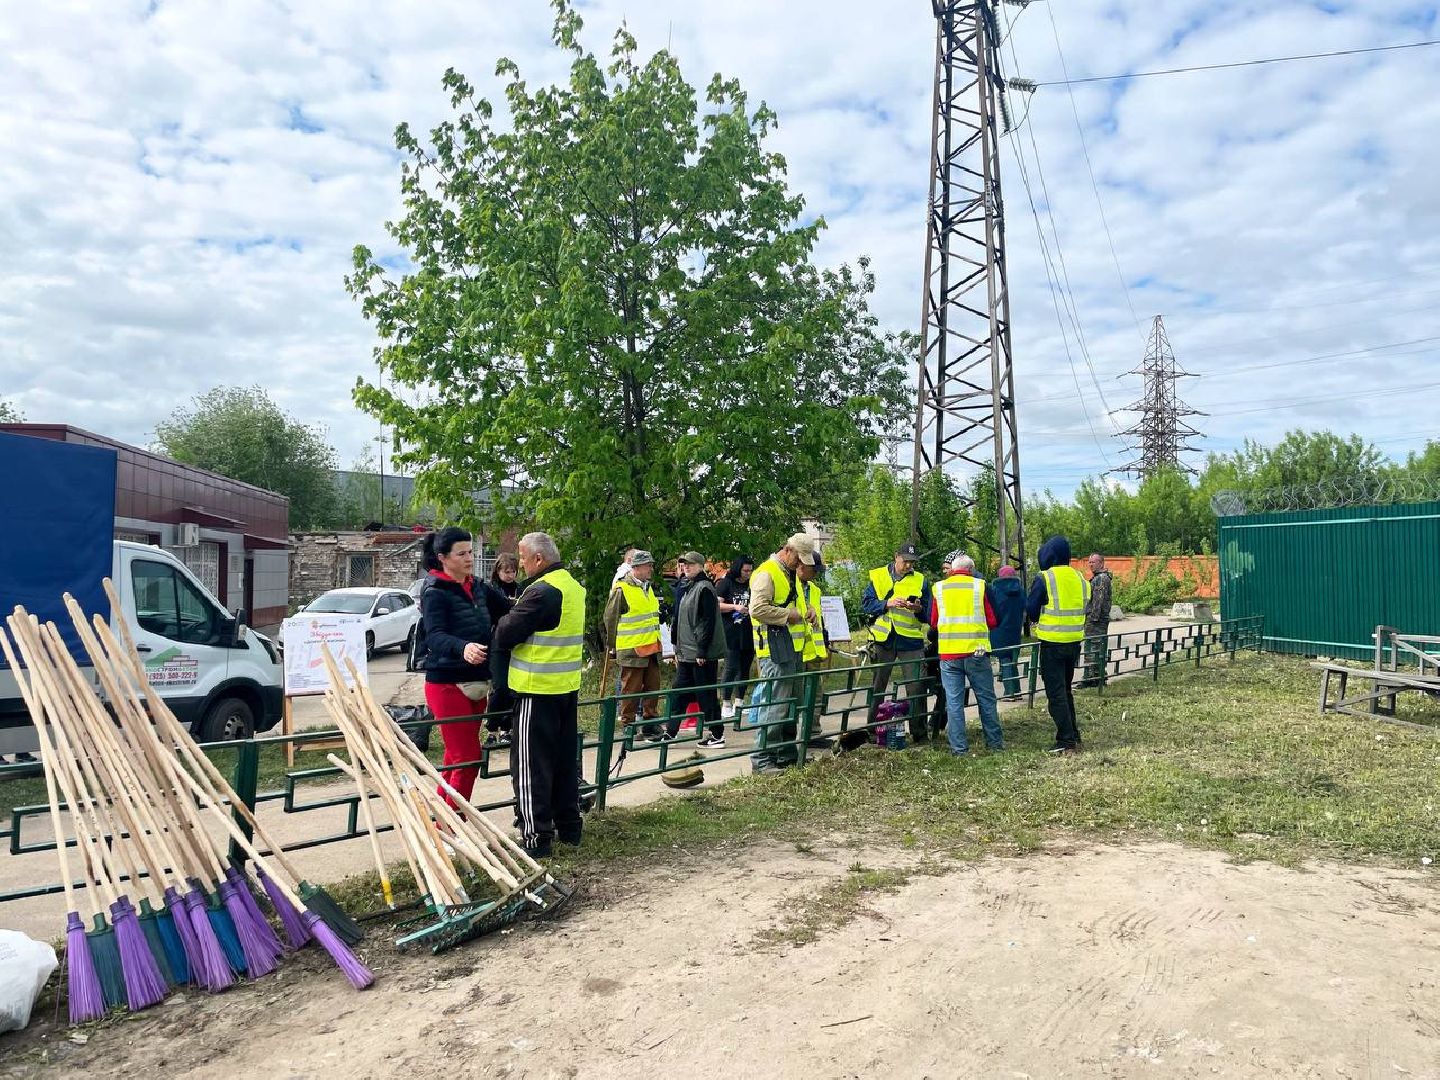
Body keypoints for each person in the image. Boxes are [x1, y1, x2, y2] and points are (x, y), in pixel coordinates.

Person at [489, 532, 586, 858]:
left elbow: (505, 633)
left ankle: (536, 838)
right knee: (563, 764)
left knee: (531, 768)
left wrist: (503, 616)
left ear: (538, 559)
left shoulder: (541, 591)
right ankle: (570, 827)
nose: (519, 563)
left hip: (536, 689)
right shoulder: (572, 586)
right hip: (565, 688)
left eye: (522, 557)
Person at [418, 527, 492, 806]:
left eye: (470, 552)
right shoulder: (435, 592)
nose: (469, 558)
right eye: (461, 554)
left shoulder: (478, 586)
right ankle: (452, 826)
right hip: (446, 682)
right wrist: (463, 647)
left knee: (455, 755)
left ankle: (441, 816)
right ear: (443, 558)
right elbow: (434, 636)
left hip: (478, 680)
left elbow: (510, 610)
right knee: (468, 756)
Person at [747, 534, 814, 774]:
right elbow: (756, 609)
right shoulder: (767, 573)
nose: (801, 564)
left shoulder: (788, 572)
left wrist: (808, 611)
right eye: (799, 558)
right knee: (774, 705)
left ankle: (785, 753)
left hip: (790, 648)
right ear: (787, 550)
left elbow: (793, 604)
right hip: (774, 650)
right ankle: (762, 759)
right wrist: (789, 616)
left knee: (790, 704)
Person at [931, 552, 1002, 756]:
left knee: (954, 703)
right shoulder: (979, 586)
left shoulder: (939, 588)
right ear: (971, 570)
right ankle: (995, 744)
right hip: (977, 652)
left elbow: (934, 622)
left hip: (949, 654)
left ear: (953, 570)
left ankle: (959, 749)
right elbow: (993, 620)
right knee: (986, 699)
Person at [1026, 535, 1091, 754]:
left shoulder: (1045, 577)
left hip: (1052, 643)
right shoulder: (1080, 577)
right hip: (1074, 642)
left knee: (1056, 695)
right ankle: (1074, 736)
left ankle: (1066, 742)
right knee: (1065, 690)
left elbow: (1032, 610)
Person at [861, 541, 932, 742]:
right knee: (878, 686)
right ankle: (872, 731)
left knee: (916, 686)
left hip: (910, 640)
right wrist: (887, 603)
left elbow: (929, 613)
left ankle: (919, 733)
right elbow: (866, 604)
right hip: (883, 639)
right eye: (905, 561)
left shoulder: (921, 581)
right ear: (896, 556)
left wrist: (918, 610)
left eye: (912, 562)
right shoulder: (878, 576)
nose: (909, 565)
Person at [603, 550, 665, 741]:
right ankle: (628, 725)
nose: (651, 569)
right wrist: (612, 646)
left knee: (653, 687)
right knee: (631, 689)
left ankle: (650, 725)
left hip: (651, 647)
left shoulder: (648, 588)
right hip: (631, 649)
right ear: (636, 568)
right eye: (648, 565)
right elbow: (610, 618)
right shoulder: (621, 589)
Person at [671, 552, 727, 747]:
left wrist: (702, 651)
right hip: (687, 652)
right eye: (684, 565)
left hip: (698, 653)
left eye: (690, 565)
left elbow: (707, 622)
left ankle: (717, 733)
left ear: (700, 566)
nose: (686, 567)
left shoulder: (704, 588)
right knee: (678, 692)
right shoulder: (688, 586)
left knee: (706, 694)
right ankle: (670, 731)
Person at [715, 556, 755, 719]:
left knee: (745, 667)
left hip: (748, 631)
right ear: (738, 568)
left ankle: (740, 701)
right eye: (745, 570)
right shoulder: (726, 583)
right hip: (730, 631)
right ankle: (725, 702)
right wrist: (734, 606)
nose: (748, 574)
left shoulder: (751, 585)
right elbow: (717, 605)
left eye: (750, 571)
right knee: (731, 666)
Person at [989, 565, 1027, 698]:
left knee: (1004, 658)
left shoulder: (995, 590)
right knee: (1012, 658)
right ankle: (1017, 691)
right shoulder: (1020, 591)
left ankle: (1009, 692)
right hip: (1015, 630)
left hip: (999, 629)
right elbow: (1024, 608)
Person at [1081, 553, 1113, 687]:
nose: (1090, 564)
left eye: (1093, 562)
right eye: (1089, 562)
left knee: (1094, 648)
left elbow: (1098, 601)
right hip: (1097, 620)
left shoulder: (1101, 579)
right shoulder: (1098, 578)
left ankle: (1092, 678)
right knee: (1095, 648)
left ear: (1101, 563)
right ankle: (1095, 677)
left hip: (1096, 621)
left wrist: (1092, 618)